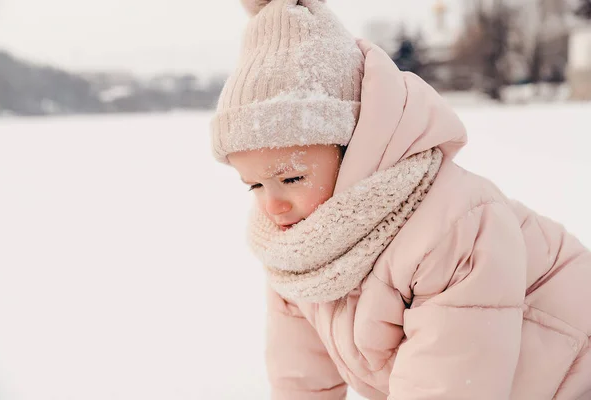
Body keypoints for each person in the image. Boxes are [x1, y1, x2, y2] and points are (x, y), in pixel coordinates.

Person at [209, 0, 591, 398]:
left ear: (357, 144)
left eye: (291, 176)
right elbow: (302, 380)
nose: (273, 205)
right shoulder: (294, 248)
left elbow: (447, 386)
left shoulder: (453, 228)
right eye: (254, 186)